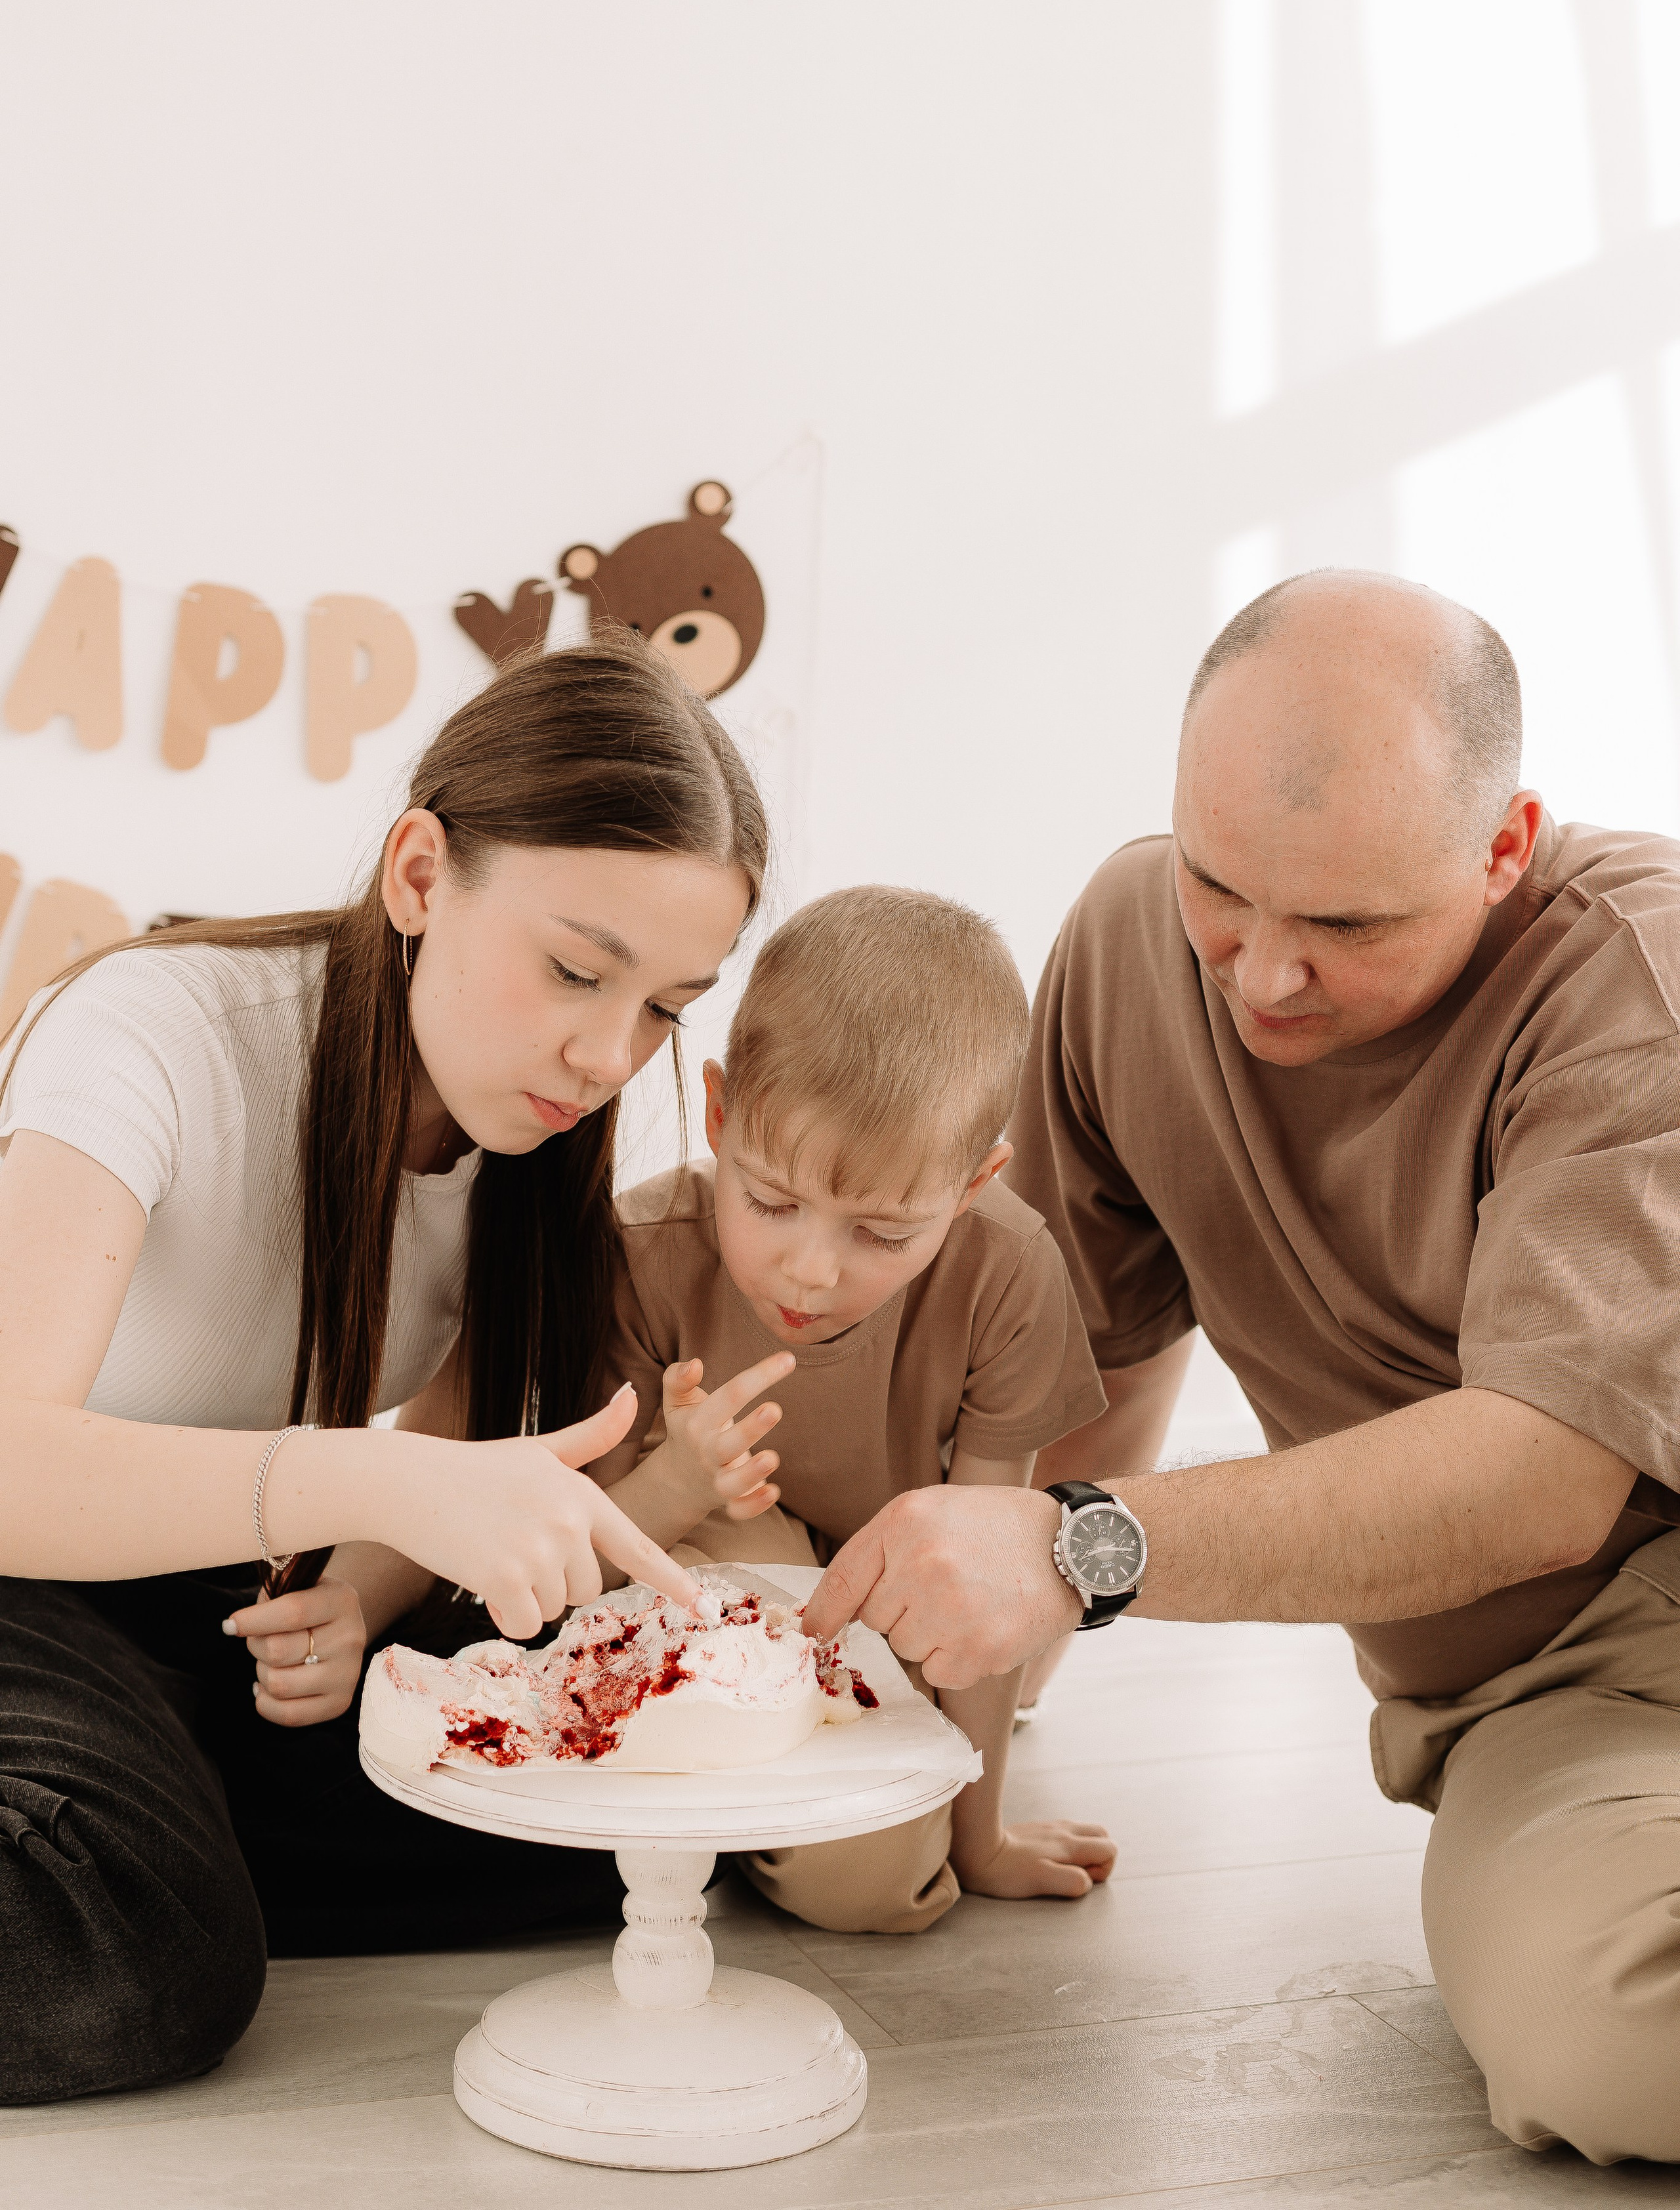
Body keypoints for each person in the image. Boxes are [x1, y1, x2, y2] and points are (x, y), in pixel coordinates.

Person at [804, 572, 1680, 2168]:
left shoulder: (1635, 982)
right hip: (1574, 1702)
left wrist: (1078, 1555)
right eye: (1223, 886)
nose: (1262, 972)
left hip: (1627, 1579)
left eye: (1345, 923)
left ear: (1502, 846)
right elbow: (1077, 1376)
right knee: (1602, 2032)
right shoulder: (1130, 947)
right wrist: (963, 1724)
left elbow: (1541, 1482)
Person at [0, 631, 763, 2108]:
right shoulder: (152, 1032)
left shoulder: (532, 1129)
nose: (611, 1052)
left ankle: (167, 1810)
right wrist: (381, 1484)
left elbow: (449, 1424)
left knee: (620, 1812)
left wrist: (358, 1585)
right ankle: (152, 1841)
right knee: (134, 1964)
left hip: (218, 1582)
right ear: (419, 874)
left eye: (667, 1006)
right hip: (30, 1572)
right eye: (573, 970)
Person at [583, 885, 1118, 1932]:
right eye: (772, 1203)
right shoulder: (644, 1255)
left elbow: (985, 1570)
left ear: (971, 1188)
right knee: (855, 1865)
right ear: (722, 1114)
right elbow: (587, 1569)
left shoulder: (1008, 1276)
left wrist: (982, 1838)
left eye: (884, 1233)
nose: (812, 1271)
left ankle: (756, 1807)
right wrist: (678, 1478)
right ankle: (741, 1797)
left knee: (888, 1896)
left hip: (894, 1580)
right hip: (696, 1556)